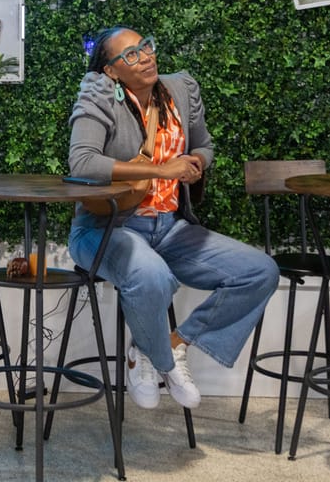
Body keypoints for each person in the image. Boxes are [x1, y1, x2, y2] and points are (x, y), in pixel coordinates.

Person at [67, 27, 279, 409]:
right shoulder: (99, 93)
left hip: (168, 227)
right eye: (130, 55)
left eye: (145, 47)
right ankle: (162, 363)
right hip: (106, 227)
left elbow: (204, 146)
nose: (145, 56)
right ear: (112, 71)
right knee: (151, 275)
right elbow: (83, 161)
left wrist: (196, 162)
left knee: (259, 271)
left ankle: (163, 347)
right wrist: (162, 171)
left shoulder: (180, 89)